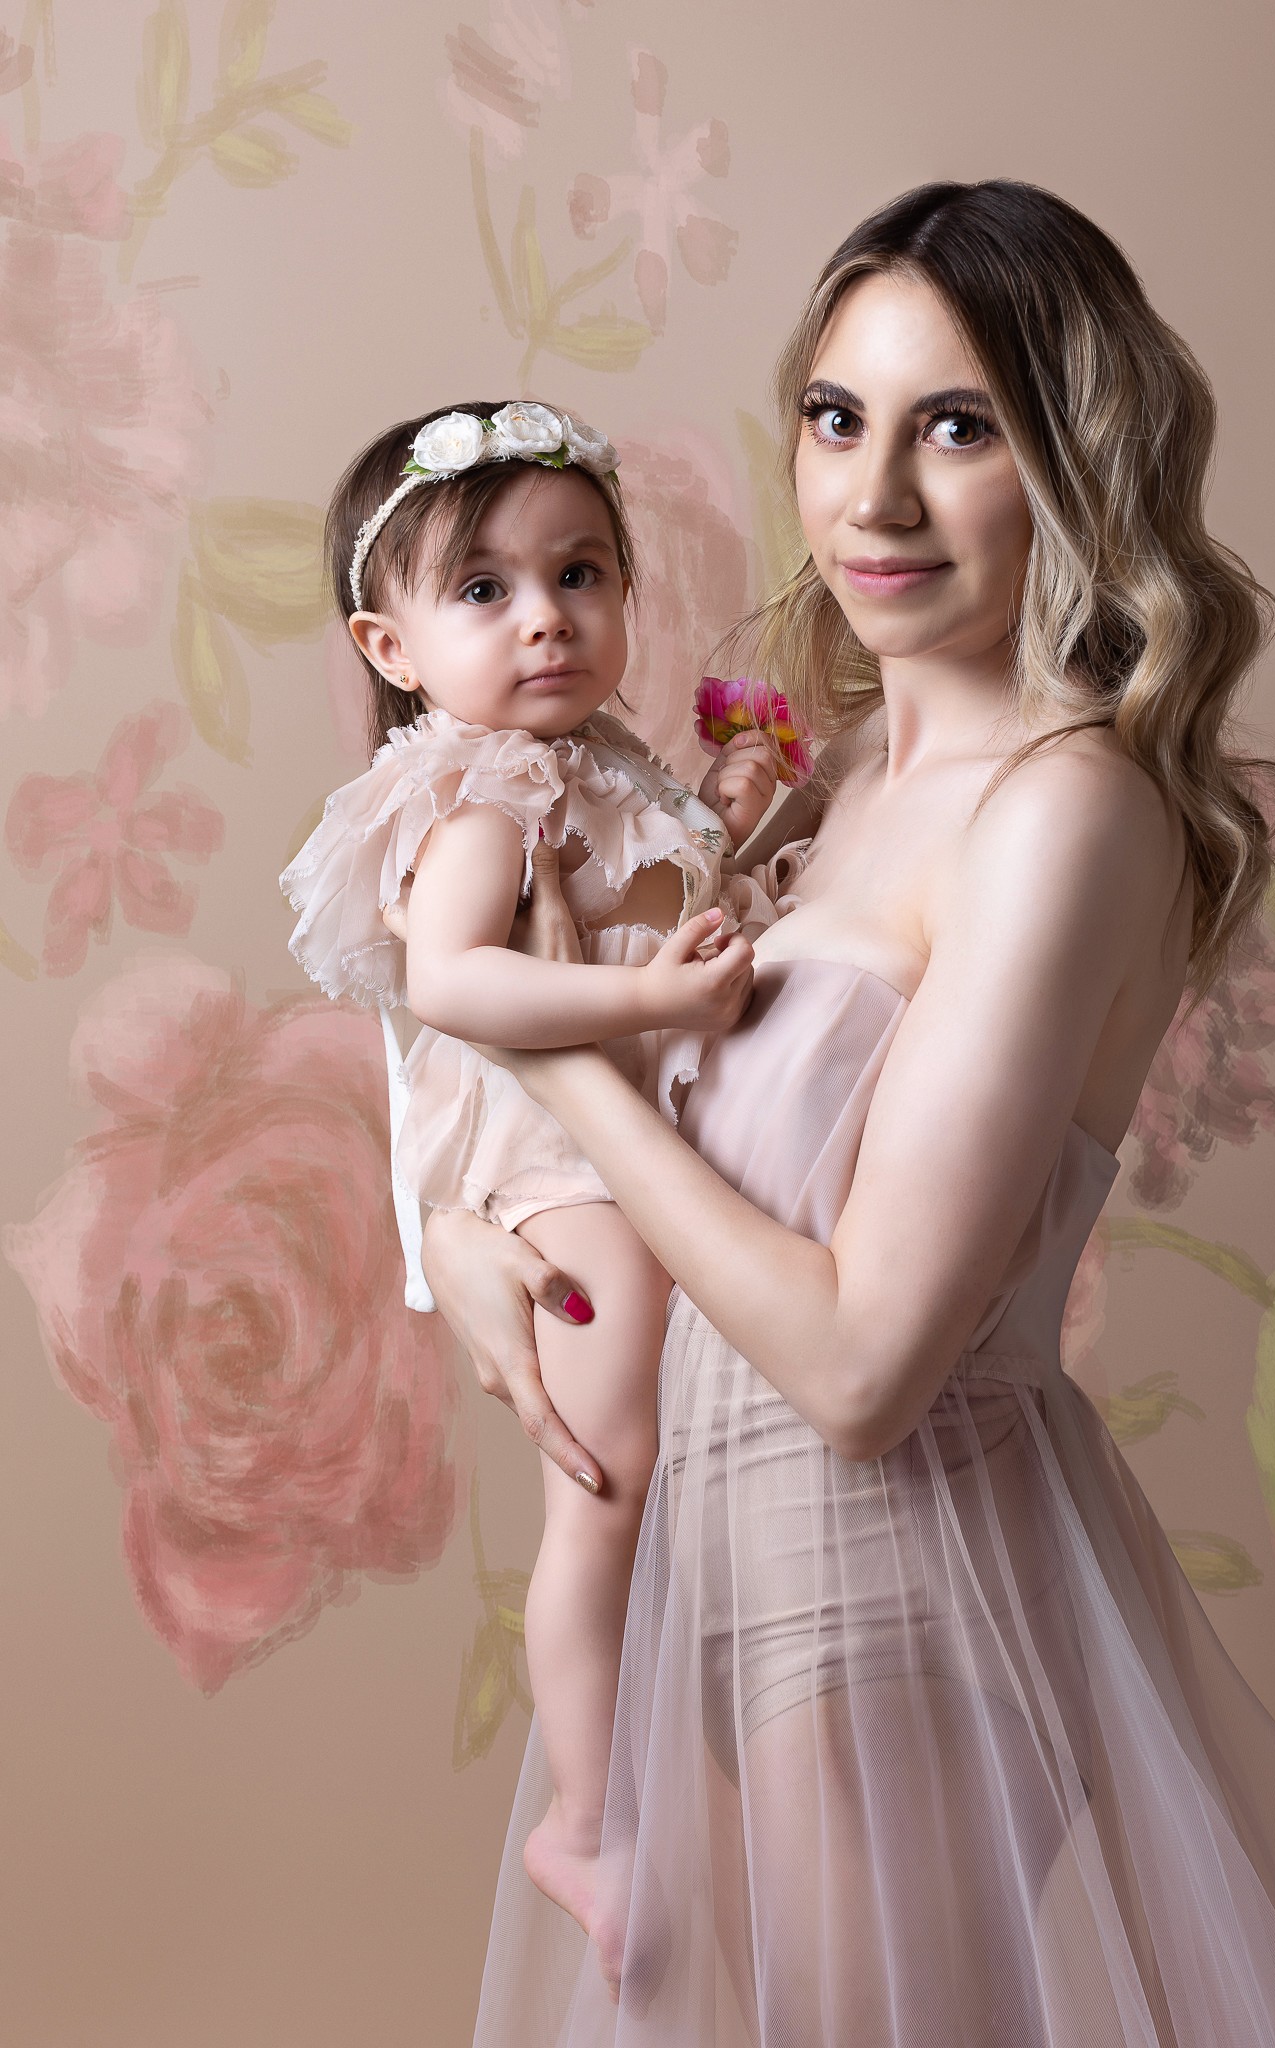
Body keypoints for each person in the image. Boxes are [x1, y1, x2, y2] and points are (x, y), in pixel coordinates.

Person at [421, 187, 1275, 2045]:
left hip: (898, 1616)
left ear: (1076, 458)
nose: (876, 498)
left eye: (962, 426)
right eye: (839, 418)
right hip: (709, 1592)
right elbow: (646, 1194)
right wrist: (470, 1241)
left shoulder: (1066, 813)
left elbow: (859, 1362)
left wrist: (561, 1070)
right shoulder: (814, 777)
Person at [279, 399, 788, 1933]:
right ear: (391, 647)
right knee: (611, 1478)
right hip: (553, 1161)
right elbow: (454, 984)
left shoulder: (603, 766)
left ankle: (683, 1781)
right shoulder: (480, 790)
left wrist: (753, 825)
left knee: (680, 1465)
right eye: (485, 591)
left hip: (626, 1137)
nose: (549, 620)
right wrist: (653, 997)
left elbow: (672, 899)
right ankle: (587, 1817)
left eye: (583, 575)